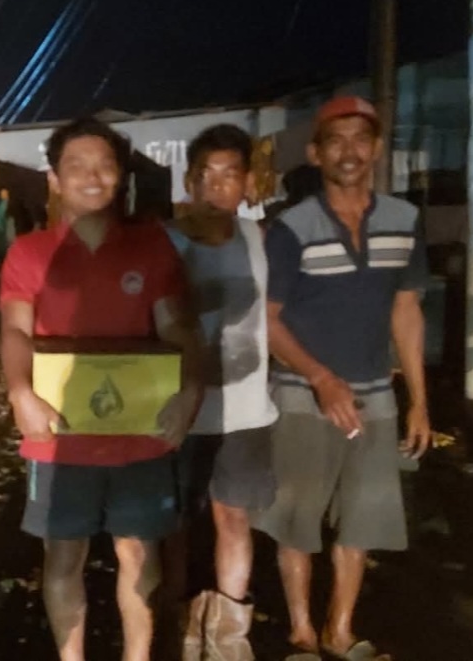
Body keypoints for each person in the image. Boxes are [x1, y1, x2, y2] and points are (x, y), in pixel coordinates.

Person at [0, 116, 204, 661]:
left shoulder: (151, 246)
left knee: (139, 556)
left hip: (140, 430)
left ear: (121, 175)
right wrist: (19, 391)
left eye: (104, 165)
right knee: (63, 557)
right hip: (59, 434)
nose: (92, 177)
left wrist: (190, 389)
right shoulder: (30, 252)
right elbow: (15, 329)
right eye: (77, 166)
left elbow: (178, 326)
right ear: (54, 179)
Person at [253, 95, 431, 661]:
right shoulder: (291, 228)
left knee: (362, 520)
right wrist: (321, 377)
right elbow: (268, 321)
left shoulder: (404, 220)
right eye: (336, 141)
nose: (349, 151)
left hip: (375, 395)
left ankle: (340, 630)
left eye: (360, 139)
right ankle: (302, 633)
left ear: (376, 149)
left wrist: (418, 401)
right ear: (316, 153)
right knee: (297, 521)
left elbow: (406, 311)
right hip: (302, 396)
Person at [162, 124, 278, 660]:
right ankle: (183, 627)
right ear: (189, 181)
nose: (217, 186)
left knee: (233, 518)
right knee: (177, 523)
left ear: (246, 182)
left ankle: (229, 635)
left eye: (230, 174)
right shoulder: (166, 241)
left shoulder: (260, 239)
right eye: (205, 175)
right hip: (181, 411)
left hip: (246, 410)